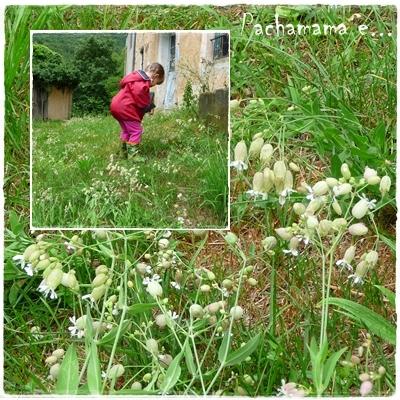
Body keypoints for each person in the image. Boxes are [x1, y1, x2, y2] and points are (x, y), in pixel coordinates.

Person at [110, 62, 165, 158]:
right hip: (125, 108)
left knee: (127, 130)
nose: (152, 86)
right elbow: (139, 94)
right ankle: (134, 156)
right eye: (155, 83)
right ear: (155, 76)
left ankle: (124, 153)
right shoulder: (143, 82)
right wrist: (146, 104)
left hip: (116, 105)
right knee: (136, 131)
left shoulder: (135, 78)